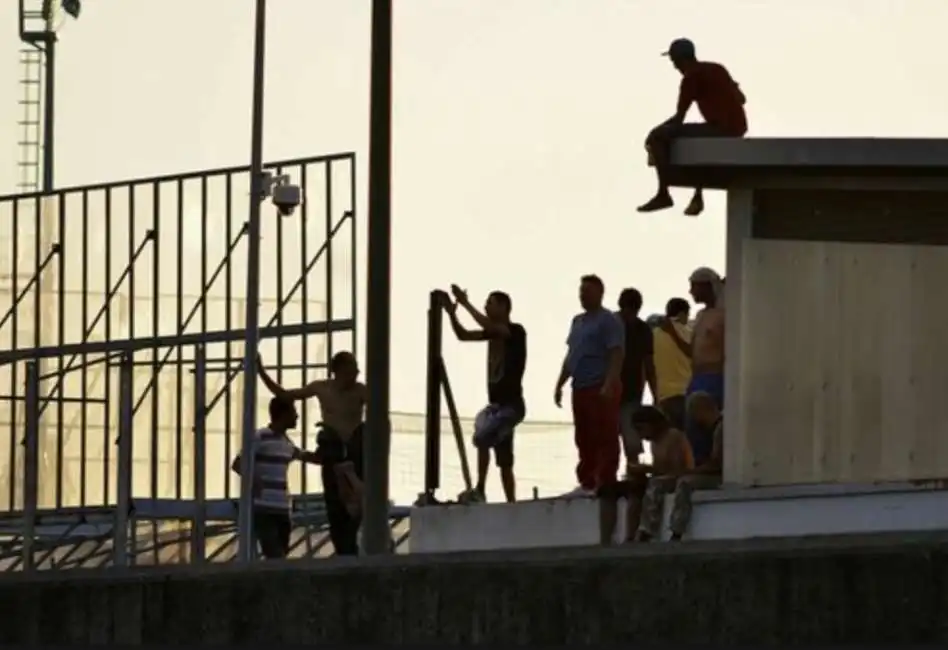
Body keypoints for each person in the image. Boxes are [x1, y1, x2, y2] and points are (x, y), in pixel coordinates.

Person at [256, 350, 366, 556]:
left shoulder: (360, 391)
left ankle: (352, 544)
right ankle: (343, 549)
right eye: (353, 368)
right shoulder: (322, 388)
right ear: (339, 371)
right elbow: (285, 395)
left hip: (353, 450)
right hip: (332, 451)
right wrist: (261, 372)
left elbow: (380, 410)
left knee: (356, 504)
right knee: (335, 507)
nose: (357, 372)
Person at [637, 38, 748, 217]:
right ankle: (697, 196)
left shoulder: (690, 78)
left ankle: (663, 193)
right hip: (737, 128)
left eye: (674, 62)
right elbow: (742, 98)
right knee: (695, 140)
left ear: (680, 60)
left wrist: (654, 132)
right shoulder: (718, 68)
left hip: (720, 130)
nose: (674, 67)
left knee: (658, 137)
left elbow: (679, 119)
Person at [444, 284, 527, 503]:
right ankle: (510, 502)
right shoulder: (491, 334)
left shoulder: (515, 331)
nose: (486, 306)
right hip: (497, 407)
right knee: (504, 459)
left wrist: (464, 303)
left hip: (512, 406)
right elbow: (463, 335)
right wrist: (452, 315)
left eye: (490, 303)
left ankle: (480, 489)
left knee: (482, 438)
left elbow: (490, 326)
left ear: (504, 307)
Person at [555, 274, 625, 498]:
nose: (583, 295)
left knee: (604, 434)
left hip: (601, 385)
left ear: (600, 293)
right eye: (581, 292)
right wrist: (560, 383)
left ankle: (605, 481)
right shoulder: (577, 321)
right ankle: (587, 481)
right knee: (583, 436)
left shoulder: (608, 320)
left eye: (587, 291)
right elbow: (571, 355)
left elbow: (616, 352)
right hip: (580, 386)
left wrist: (610, 382)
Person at [230, 396, 320, 559]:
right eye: (294, 412)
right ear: (283, 414)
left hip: (282, 508)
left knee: (279, 557)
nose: (297, 417)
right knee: (275, 556)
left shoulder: (286, 442)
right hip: (263, 507)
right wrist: (255, 480)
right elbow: (238, 463)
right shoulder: (261, 436)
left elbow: (306, 456)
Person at [598, 405, 693, 544]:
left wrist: (647, 469)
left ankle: (641, 533)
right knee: (608, 490)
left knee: (648, 487)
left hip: (674, 478)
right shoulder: (654, 443)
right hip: (659, 476)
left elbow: (677, 469)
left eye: (641, 429)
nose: (640, 434)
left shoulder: (673, 436)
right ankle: (605, 539)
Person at [659, 267, 724, 465]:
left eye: (694, 287)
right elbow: (692, 352)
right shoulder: (702, 316)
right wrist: (671, 333)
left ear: (707, 286)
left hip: (715, 377)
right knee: (692, 427)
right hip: (697, 378)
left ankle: (712, 465)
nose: (691, 292)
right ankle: (698, 465)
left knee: (710, 424)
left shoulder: (724, 315)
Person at [637, 391, 723, 542]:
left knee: (684, 483)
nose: (694, 420)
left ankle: (677, 531)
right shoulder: (712, 431)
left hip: (718, 477)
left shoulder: (721, 429)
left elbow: (716, 463)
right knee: (655, 484)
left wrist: (693, 471)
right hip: (695, 472)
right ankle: (647, 529)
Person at [616, 288, 657, 474]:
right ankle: (610, 481)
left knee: (632, 444)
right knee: (609, 443)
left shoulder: (642, 329)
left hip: (631, 392)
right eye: (627, 311)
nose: (630, 316)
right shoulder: (611, 324)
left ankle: (631, 479)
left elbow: (649, 364)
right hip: (611, 392)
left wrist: (655, 393)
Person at [652, 297, 692, 431]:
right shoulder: (690, 333)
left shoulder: (654, 335)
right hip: (687, 392)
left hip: (664, 395)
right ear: (681, 314)